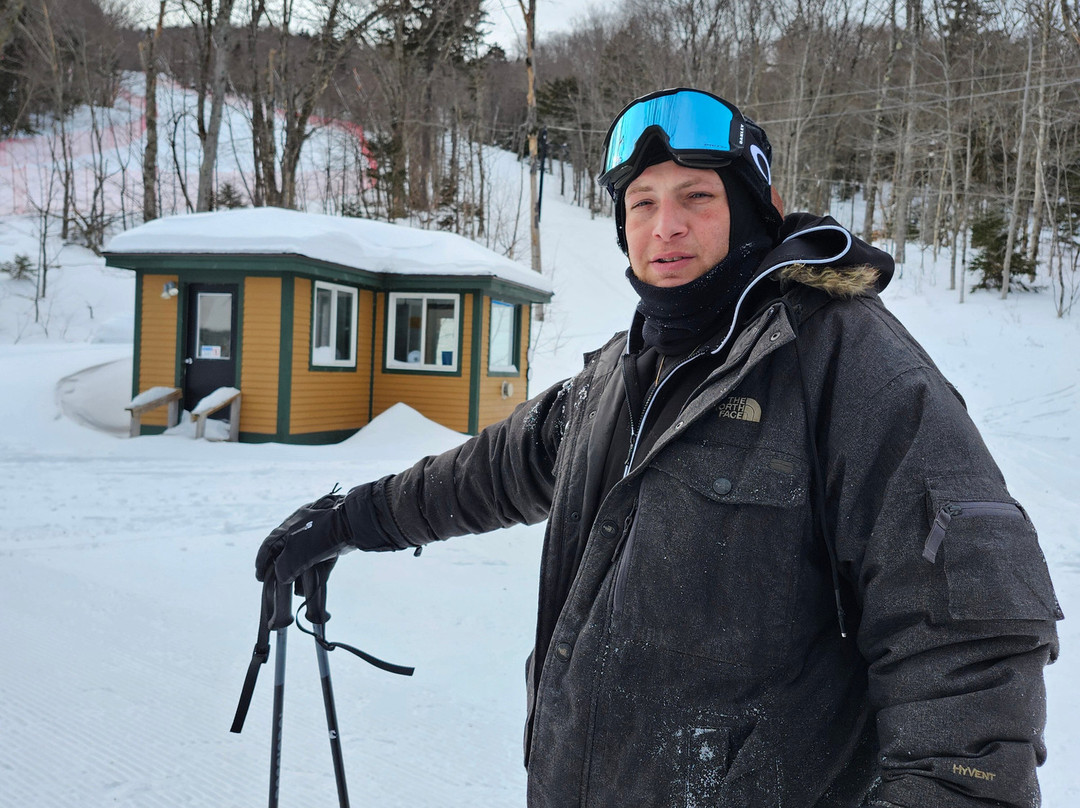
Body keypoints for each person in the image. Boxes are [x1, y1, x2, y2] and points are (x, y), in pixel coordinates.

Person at [255, 88, 1061, 807]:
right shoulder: (621, 374)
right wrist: (346, 522)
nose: (664, 227)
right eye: (640, 203)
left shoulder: (851, 367)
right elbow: (489, 472)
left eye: (696, 198)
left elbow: (969, 655)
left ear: (757, 209)